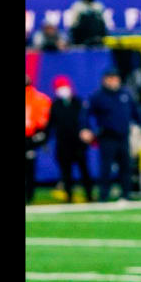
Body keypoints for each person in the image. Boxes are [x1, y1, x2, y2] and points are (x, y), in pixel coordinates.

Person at [86, 68, 140, 202]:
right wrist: (87, 129)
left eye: (115, 78)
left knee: (126, 166)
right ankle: (103, 196)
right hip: (107, 136)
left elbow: (135, 112)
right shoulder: (98, 96)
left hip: (123, 136)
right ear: (104, 80)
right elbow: (86, 115)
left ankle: (126, 194)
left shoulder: (125, 94)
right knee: (106, 167)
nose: (113, 81)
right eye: (110, 78)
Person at [49, 75, 94, 203]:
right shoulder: (55, 105)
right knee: (66, 172)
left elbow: (85, 121)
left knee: (84, 170)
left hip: (78, 143)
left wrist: (87, 133)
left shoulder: (78, 102)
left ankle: (89, 195)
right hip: (63, 144)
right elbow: (51, 124)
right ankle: (68, 196)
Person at [25, 76, 52, 204]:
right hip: (32, 138)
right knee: (29, 169)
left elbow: (45, 123)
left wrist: (38, 139)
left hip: (31, 138)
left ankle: (29, 196)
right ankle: (29, 196)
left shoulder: (39, 99)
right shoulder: (39, 98)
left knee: (30, 169)